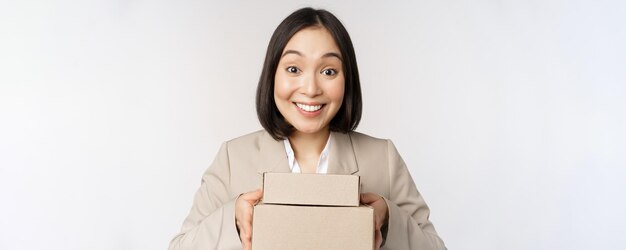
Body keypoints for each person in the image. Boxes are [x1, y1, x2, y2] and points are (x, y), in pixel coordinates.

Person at [169, 7, 446, 250]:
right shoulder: (233, 158)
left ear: (346, 79)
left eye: (328, 71)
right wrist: (234, 221)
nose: (311, 89)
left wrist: (388, 219)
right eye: (293, 69)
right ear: (272, 75)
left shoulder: (382, 157)